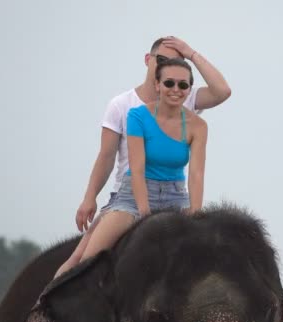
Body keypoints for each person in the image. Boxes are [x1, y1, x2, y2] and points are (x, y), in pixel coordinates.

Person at [54, 36, 231, 278]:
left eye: (176, 65)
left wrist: (191, 54)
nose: (175, 88)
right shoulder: (124, 106)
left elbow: (222, 91)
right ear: (149, 61)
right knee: (82, 260)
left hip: (174, 194)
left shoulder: (185, 100)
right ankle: (44, 309)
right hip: (127, 192)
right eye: (161, 61)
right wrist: (90, 197)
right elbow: (107, 157)